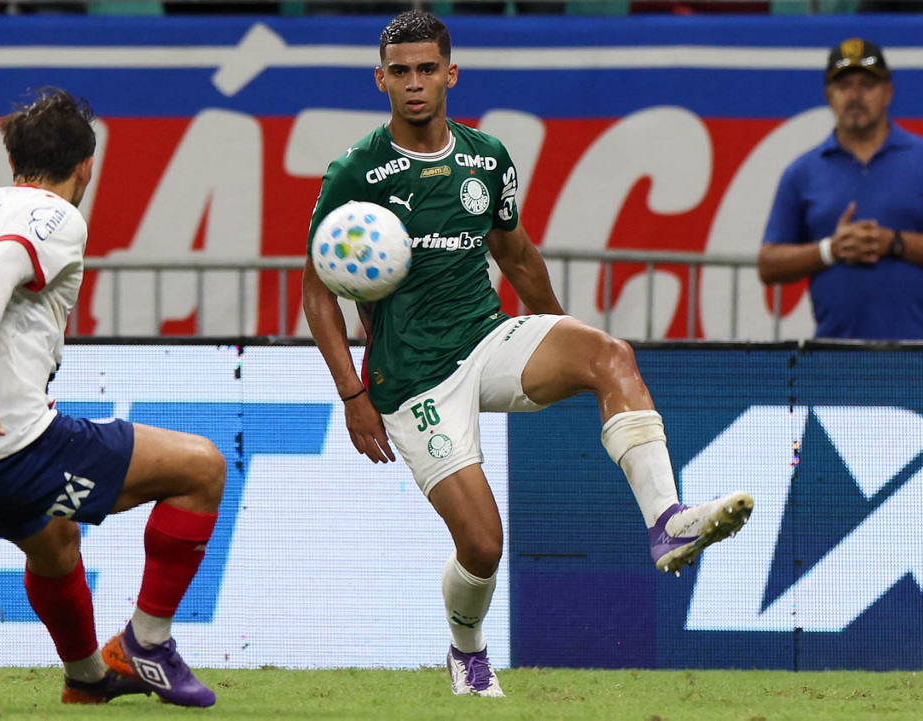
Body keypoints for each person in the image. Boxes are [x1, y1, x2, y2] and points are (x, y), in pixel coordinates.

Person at [301, 11, 753, 699]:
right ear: (380, 79)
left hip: (486, 338)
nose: (415, 84)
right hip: (413, 380)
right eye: (401, 72)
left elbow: (514, 252)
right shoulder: (356, 173)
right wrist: (353, 394)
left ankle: (667, 522)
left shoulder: (486, 159)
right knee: (483, 545)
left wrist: (554, 335)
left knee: (609, 355)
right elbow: (315, 294)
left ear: (452, 73)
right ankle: (467, 648)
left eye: (428, 69)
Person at [0, 88, 224, 708]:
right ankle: (147, 644)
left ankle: (86, 680)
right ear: (86, 167)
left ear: (12, 159)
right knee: (202, 468)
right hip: (9, 438)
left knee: (53, 543)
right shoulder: (55, 216)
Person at [758, 38, 923, 340]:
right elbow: (768, 264)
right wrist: (830, 250)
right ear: (828, 95)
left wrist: (894, 243)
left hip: (919, 355)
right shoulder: (802, 172)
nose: (855, 95)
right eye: (844, 85)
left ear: (888, 92)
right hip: (834, 357)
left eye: (867, 84)